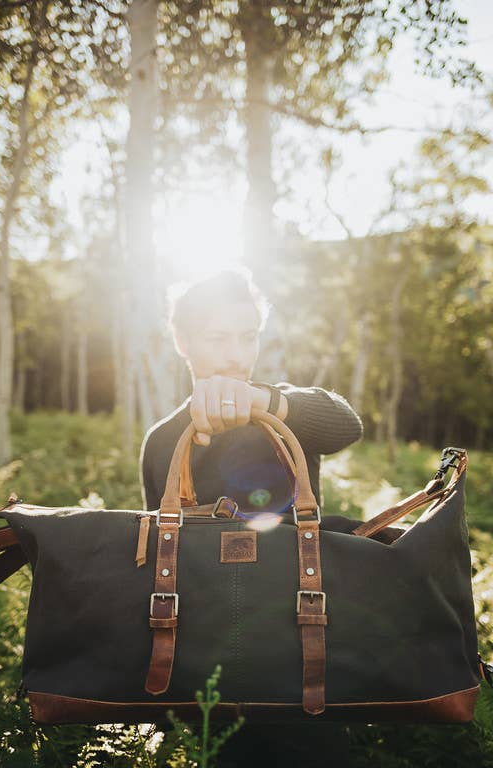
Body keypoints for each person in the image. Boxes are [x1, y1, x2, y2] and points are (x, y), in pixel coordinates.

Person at [139, 267, 362, 768]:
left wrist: (265, 401)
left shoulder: (283, 411)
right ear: (182, 341)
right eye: (217, 338)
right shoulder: (163, 440)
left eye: (249, 336)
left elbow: (345, 423)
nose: (237, 355)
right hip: (205, 657)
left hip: (301, 646)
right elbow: (158, 557)